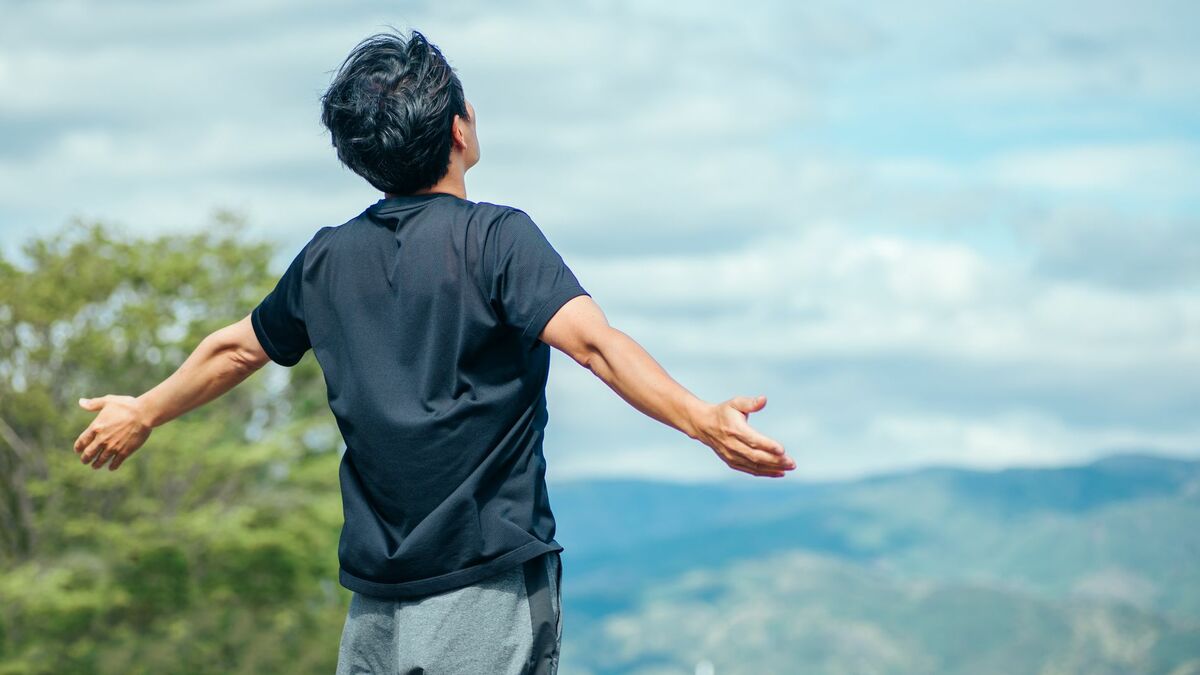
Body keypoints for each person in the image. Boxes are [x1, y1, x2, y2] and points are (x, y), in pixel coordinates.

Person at [71, 27, 795, 675]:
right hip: (488, 589)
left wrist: (146, 408)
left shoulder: (326, 259)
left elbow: (236, 348)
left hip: (374, 606)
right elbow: (597, 347)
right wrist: (700, 418)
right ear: (458, 129)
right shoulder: (496, 238)